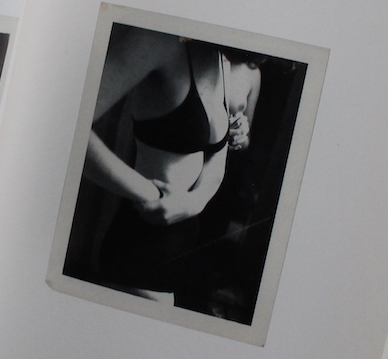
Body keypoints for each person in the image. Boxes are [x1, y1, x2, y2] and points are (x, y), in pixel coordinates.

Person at [84, 26, 260, 305]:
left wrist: (194, 203)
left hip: (182, 242)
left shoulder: (220, 60)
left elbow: (216, 159)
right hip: (143, 237)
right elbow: (68, 123)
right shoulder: (158, 42)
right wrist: (151, 195)